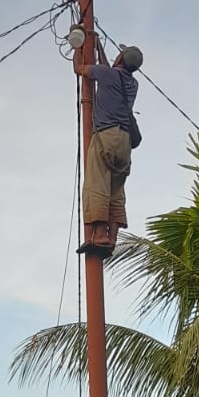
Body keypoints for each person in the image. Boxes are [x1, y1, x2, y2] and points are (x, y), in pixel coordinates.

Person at [75, 38, 143, 254]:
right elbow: (107, 70)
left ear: (121, 58)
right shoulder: (132, 84)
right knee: (116, 189)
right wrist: (99, 47)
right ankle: (111, 238)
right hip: (124, 141)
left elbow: (79, 69)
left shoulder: (107, 74)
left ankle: (99, 235)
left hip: (106, 134)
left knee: (97, 183)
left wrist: (78, 45)